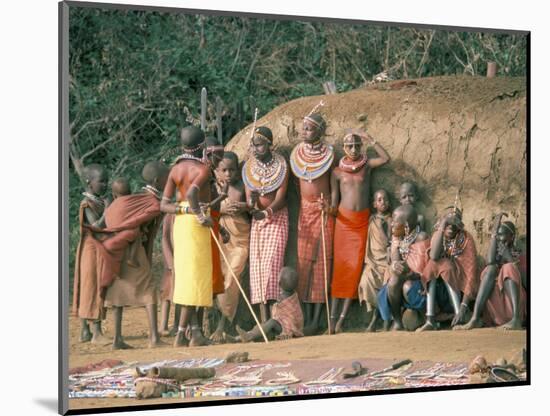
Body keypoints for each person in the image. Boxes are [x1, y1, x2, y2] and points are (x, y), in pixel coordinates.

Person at [101, 161, 169, 349]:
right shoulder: (149, 200)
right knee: (148, 289)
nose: (168, 182)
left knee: (117, 291)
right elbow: (151, 212)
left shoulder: (129, 200)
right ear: (157, 181)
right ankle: (154, 338)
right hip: (132, 250)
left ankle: (117, 339)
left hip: (114, 250)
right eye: (166, 179)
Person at [329, 130, 390, 333]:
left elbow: (385, 158)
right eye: (349, 146)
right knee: (340, 269)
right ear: (343, 148)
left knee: (354, 269)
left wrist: (372, 140)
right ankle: (332, 318)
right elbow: (333, 203)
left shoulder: (366, 166)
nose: (354, 149)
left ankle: (342, 320)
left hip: (361, 222)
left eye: (357, 145)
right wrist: (325, 209)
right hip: (343, 223)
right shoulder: (337, 172)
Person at [160, 126, 214, 347]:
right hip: (195, 224)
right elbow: (192, 193)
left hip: (181, 224)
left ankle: (195, 332)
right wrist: (200, 215)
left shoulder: (175, 170)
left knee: (187, 278)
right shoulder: (203, 169)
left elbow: (164, 205)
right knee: (195, 279)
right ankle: (182, 335)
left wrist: (183, 210)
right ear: (202, 147)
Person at [290, 110, 335, 335]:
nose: (304, 132)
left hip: (323, 210)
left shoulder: (330, 154)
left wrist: (329, 208)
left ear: (320, 131)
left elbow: (334, 187)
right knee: (304, 264)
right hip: (305, 213)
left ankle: (318, 319)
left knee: (322, 264)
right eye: (303, 128)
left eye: (309, 128)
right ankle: (304, 318)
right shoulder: (296, 154)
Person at [242, 126, 289, 323]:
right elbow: (249, 201)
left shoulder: (282, 166)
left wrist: (266, 212)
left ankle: (275, 321)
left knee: (272, 268)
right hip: (258, 221)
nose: (255, 149)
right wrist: (252, 204)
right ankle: (263, 323)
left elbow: (280, 197)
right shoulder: (248, 168)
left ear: (270, 144)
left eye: (260, 145)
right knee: (257, 270)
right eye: (254, 145)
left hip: (276, 219)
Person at [454, 214, 526, 330]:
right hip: (497, 313)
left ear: (511, 237)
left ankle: (516, 319)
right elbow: (490, 261)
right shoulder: (496, 259)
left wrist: (510, 259)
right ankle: (475, 318)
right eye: (497, 236)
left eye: (501, 235)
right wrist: (494, 233)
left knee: (508, 268)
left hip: (514, 308)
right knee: (490, 269)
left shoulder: (521, 256)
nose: (498, 239)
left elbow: (526, 284)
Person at [417, 205, 479, 331]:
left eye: (454, 222)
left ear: (460, 224)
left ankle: (458, 316)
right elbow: (434, 256)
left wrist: (463, 306)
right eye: (447, 222)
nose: (451, 226)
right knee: (435, 264)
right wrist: (443, 224)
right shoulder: (437, 235)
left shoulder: (466, 239)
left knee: (447, 266)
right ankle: (430, 320)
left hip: (461, 292)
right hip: (440, 294)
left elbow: (471, 274)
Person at [210, 152, 251, 343]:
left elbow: (254, 206)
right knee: (220, 281)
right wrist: (221, 209)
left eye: (232, 169)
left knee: (232, 278)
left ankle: (224, 324)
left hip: (241, 241)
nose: (228, 174)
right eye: (223, 170)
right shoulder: (212, 189)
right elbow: (203, 209)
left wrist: (244, 207)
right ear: (217, 171)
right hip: (221, 242)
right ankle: (220, 325)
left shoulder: (243, 186)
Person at [72, 164, 110, 345]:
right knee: (92, 287)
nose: (105, 185)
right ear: (89, 182)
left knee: (90, 286)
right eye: (101, 181)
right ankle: (95, 331)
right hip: (90, 248)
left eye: (106, 181)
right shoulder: (87, 204)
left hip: (96, 248)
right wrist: (109, 210)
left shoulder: (98, 200)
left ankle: (85, 332)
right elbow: (96, 226)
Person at [376, 204, 430, 331]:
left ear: (405, 225)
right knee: (392, 283)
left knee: (407, 287)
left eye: (395, 222)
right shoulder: (398, 236)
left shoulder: (421, 237)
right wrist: (395, 263)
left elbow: (421, 270)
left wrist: (404, 269)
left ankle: (427, 318)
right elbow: (395, 263)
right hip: (404, 277)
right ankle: (398, 322)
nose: (392, 224)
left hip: (421, 282)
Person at [231, 267, 303, 342]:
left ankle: (248, 337)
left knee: (272, 322)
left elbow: (279, 314)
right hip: (290, 325)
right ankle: (238, 338)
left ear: (279, 283)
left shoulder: (282, 298)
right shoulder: (293, 295)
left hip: (287, 328)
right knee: (264, 326)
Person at [358, 189, 392, 332]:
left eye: (385, 199)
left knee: (386, 286)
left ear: (389, 202)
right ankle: (375, 316)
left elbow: (389, 242)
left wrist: (382, 226)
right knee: (365, 282)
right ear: (374, 204)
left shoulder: (392, 220)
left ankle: (381, 320)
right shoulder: (371, 221)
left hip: (388, 261)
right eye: (379, 200)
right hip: (373, 262)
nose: (382, 202)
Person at [110, 177, 140, 268]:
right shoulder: (131, 202)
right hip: (125, 231)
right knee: (137, 231)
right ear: (130, 193)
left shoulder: (111, 205)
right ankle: (132, 257)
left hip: (112, 230)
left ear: (114, 195)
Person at [159, 213, 180, 336]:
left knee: (179, 295)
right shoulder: (170, 215)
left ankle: (177, 325)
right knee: (166, 293)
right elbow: (165, 238)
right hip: (171, 260)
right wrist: (170, 262)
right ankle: (163, 325)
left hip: (182, 259)